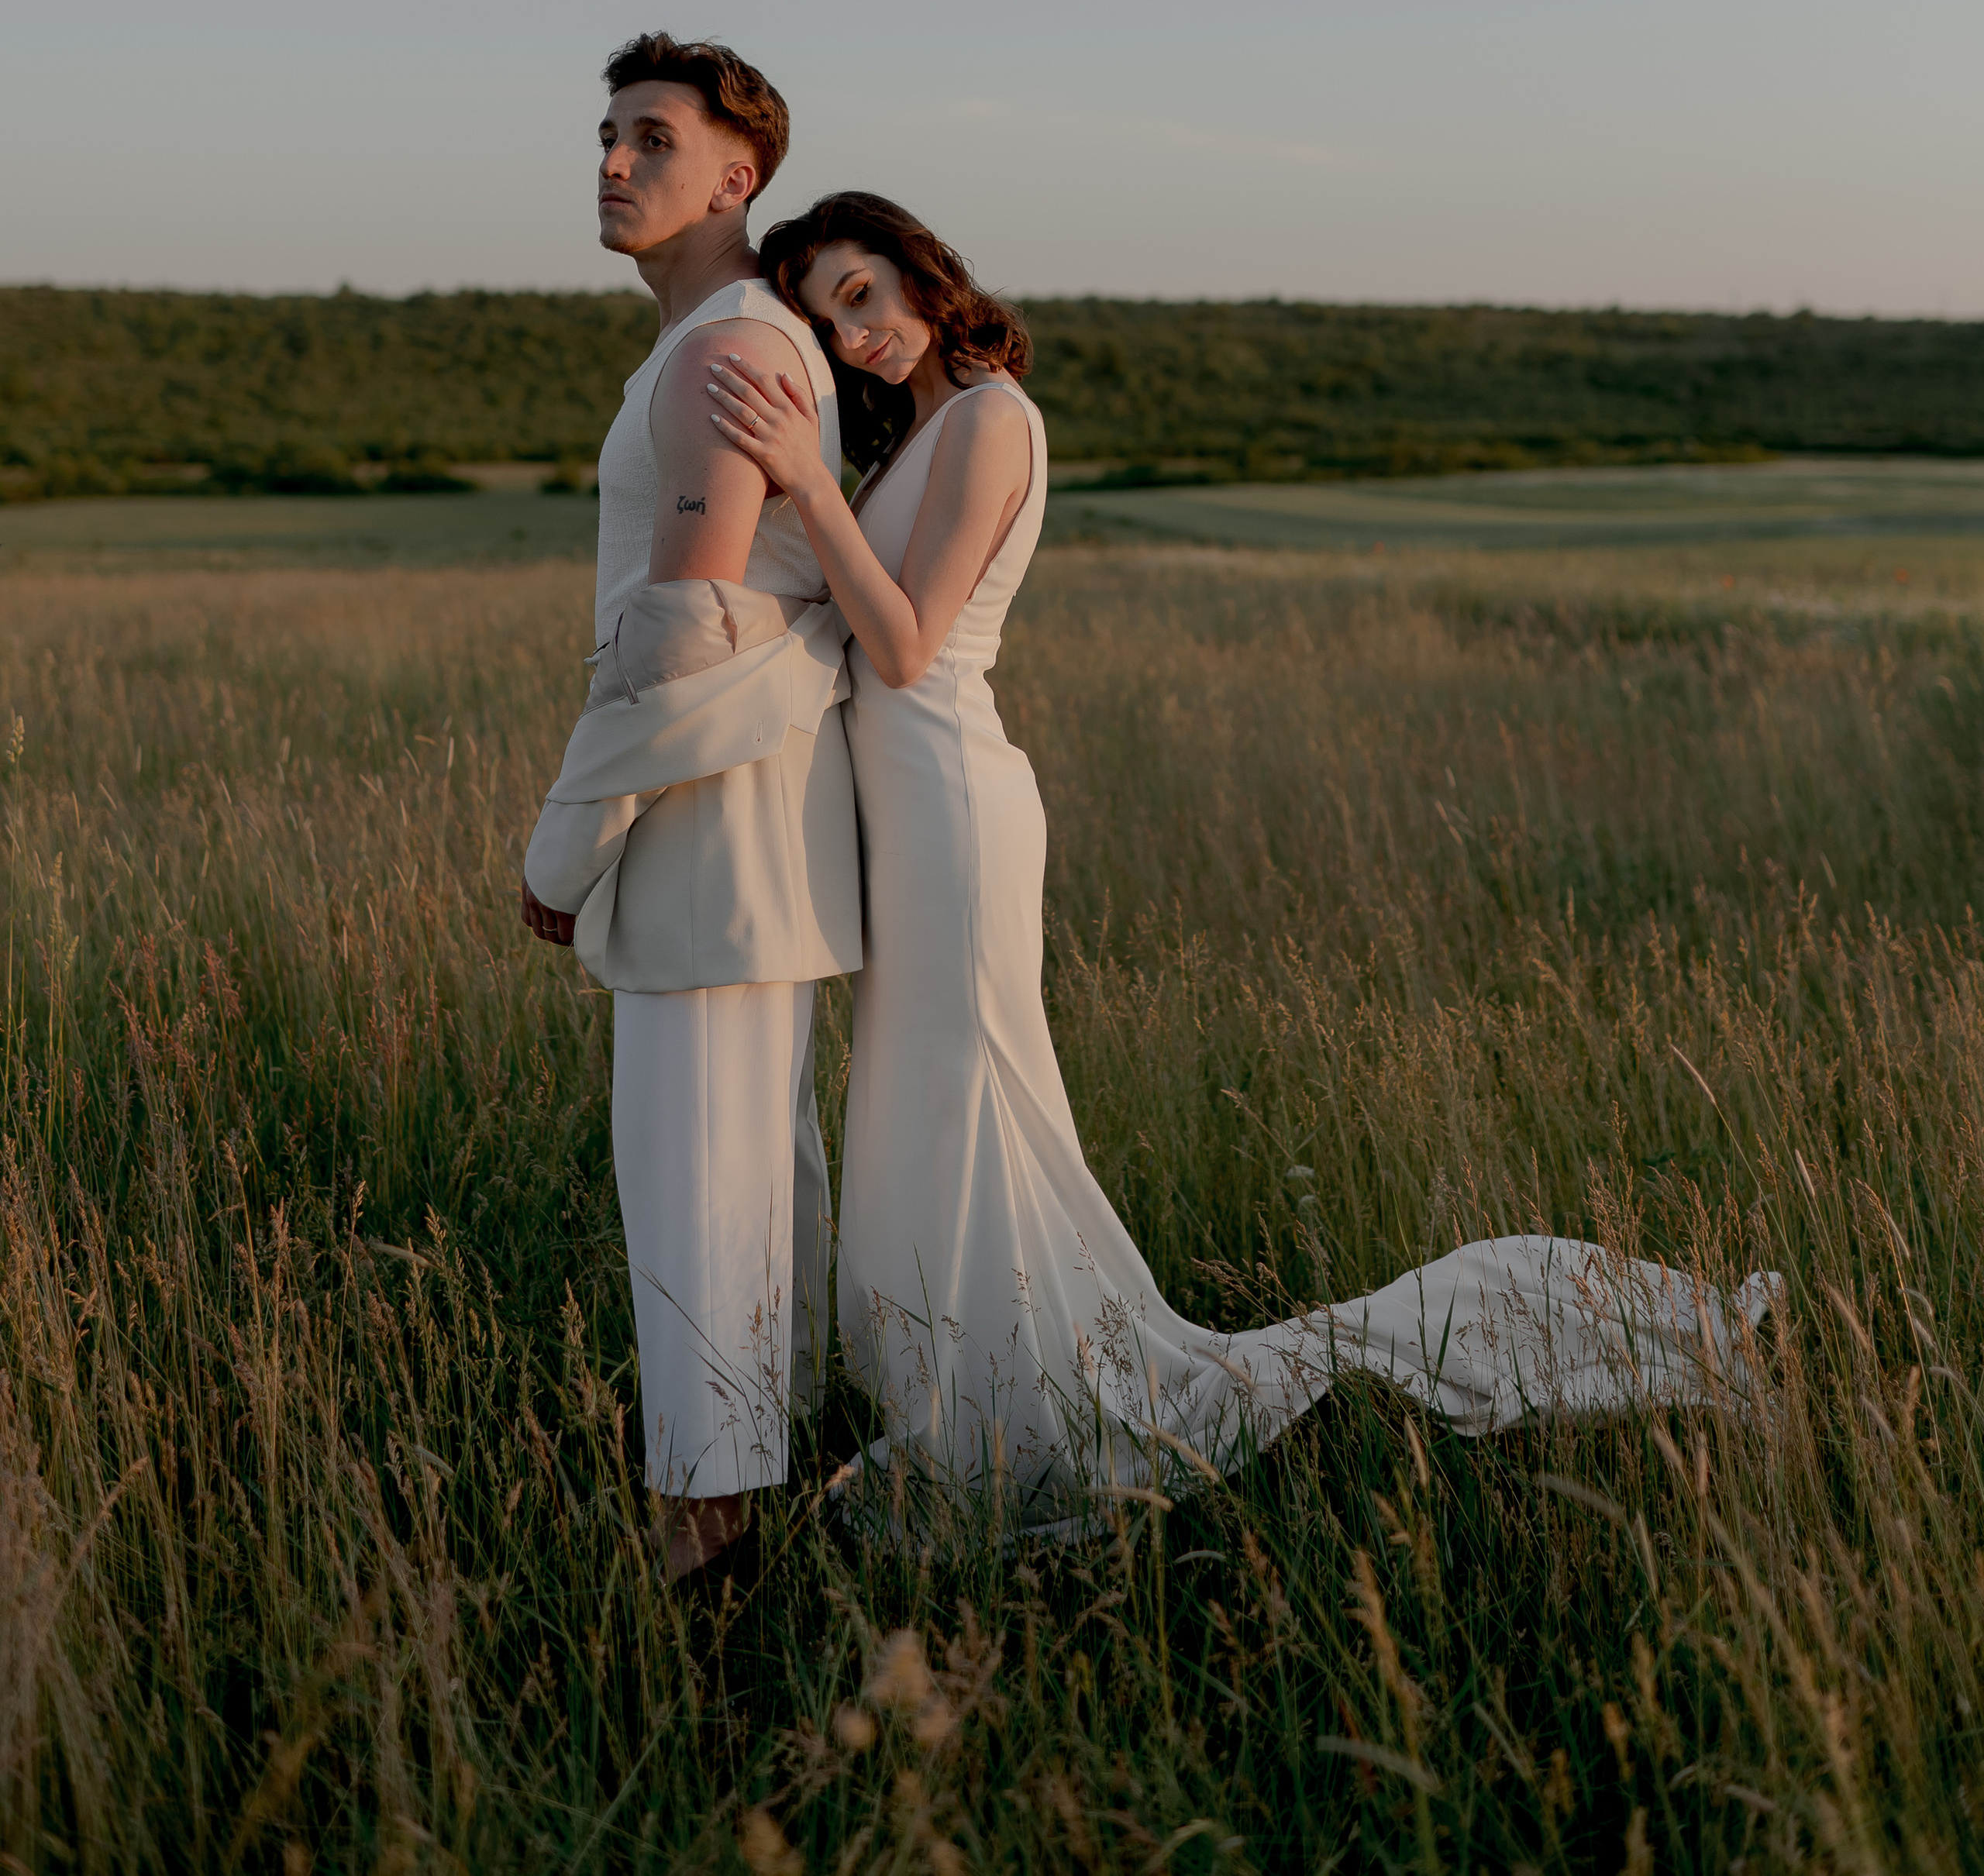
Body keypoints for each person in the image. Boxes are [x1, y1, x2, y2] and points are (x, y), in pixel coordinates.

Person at [705, 192, 1776, 1523]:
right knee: (927, 1115)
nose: (852, 334)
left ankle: (1019, 1416)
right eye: (824, 320)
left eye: (860, 294)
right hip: (904, 813)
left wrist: (809, 484)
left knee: (963, 1106)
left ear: (918, 270)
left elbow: (910, 645)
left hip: (952, 810)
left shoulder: (988, 419)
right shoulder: (918, 434)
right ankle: (982, 1399)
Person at [520, 38, 862, 1576]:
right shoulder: (716, 340)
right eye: (605, 134)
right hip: (732, 832)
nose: (611, 161)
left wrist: (564, 851)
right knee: (745, 1186)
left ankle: (706, 1564)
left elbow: (682, 635)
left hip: (714, 835)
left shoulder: (731, 347)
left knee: (702, 1195)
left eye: (651, 138)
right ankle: (765, 1511)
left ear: (739, 176)